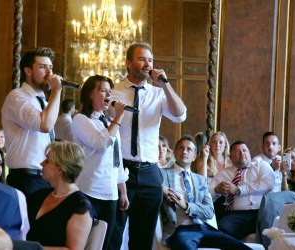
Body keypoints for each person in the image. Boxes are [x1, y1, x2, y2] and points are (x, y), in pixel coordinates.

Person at [109, 43, 187, 250]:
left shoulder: (158, 93)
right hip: (120, 170)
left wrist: (166, 85)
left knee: (143, 238)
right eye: (142, 59)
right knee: (114, 234)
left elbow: (180, 115)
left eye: (150, 60)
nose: (147, 64)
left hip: (150, 172)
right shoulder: (114, 91)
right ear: (128, 63)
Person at [160, 135, 251, 249]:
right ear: (174, 153)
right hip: (181, 229)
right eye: (181, 148)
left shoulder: (200, 180)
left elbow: (208, 212)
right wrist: (163, 189)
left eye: (189, 149)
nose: (184, 151)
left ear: (194, 156)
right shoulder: (162, 174)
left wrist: (185, 205)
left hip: (205, 228)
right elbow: (151, 182)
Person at [71, 75, 129, 250]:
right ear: (90, 94)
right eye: (103, 90)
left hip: (110, 193)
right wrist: (119, 117)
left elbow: (116, 159)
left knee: (109, 243)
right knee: (89, 244)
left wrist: (123, 192)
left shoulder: (110, 123)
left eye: (110, 91)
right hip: (89, 190)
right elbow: (101, 143)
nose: (108, 95)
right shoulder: (81, 120)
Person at [2, 47, 63, 196]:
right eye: (43, 67)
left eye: (51, 68)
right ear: (28, 71)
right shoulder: (17, 97)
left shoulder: (42, 100)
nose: (49, 72)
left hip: (46, 176)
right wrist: (56, 91)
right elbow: (45, 125)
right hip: (26, 178)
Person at [26, 141, 94, 249]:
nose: (41, 163)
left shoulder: (80, 206)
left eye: (47, 161)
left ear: (59, 169)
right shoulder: (38, 195)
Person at [208, 141, 275, 240]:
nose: (242, 153)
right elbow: (207, 194)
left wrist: (239, 190)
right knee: (222, 230)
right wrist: (216, 190)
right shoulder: (223, 173)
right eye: (237, 151)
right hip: (237, 215)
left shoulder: (261, 165)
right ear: (230, 157)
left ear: (249, 153)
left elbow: (268, 184)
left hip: (262, 212)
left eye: (244, 150)